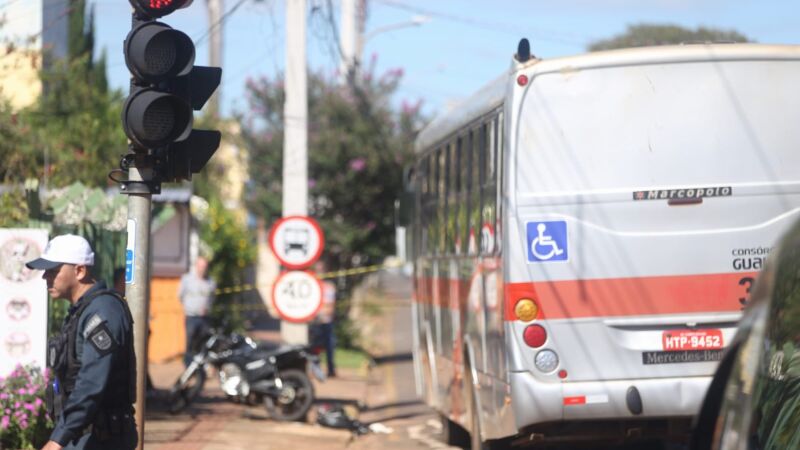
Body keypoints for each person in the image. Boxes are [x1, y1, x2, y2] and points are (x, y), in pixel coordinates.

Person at [26, 234, 137, 450]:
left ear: (80, 271)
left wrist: (59, 438)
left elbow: (91, 382)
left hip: (101, 439)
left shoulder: (103, 312)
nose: (45, 277)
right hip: (83, 436)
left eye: (53, 270)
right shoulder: (82, 311)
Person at [178, 256, 215, 366]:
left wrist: (207, 307)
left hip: (204, 318)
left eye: (204, 266)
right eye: (200, 266)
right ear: (196, 266)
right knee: (190, 342)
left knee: (204, 343)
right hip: (191, 317)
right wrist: (190, 307)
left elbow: (212, 298)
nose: (202, 269)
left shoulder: (211, 282)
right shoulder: (187, 279)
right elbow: (180, 296)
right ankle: (188, 366)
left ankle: (201, 367)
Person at [313, 261, 337, 377]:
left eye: (321, 270)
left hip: (326, 321)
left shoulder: (329, 286)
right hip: (315, 322)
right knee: (314, 348)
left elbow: (330, 306)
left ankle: (331, 370)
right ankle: (316, 370)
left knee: (329, 347)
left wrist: (322, 313)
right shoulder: (311, 285)